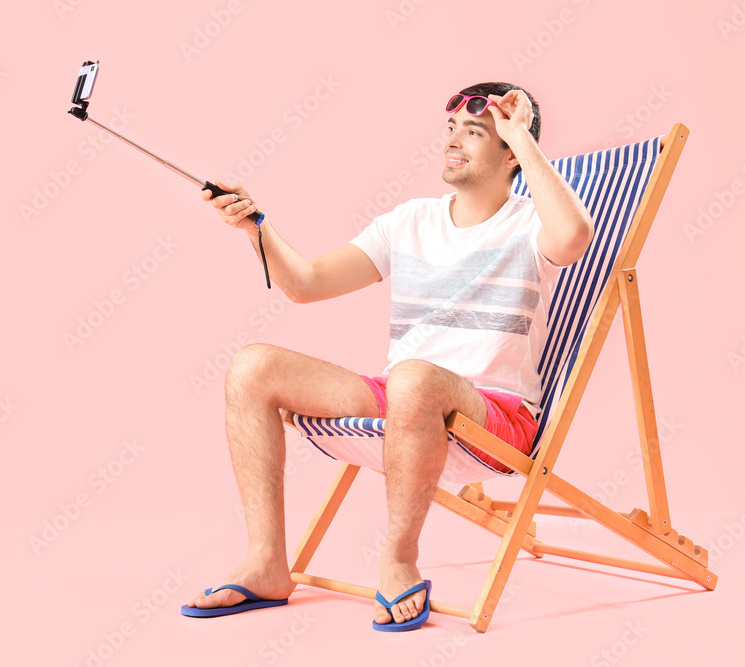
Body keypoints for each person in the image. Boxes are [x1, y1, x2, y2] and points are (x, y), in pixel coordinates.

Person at [182, 82, 594, 630]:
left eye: (474, 133)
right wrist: (256, 226)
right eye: (451, 130)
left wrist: (519, 131)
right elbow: (305, 283)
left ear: (511, 154)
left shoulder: (531, 224)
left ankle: (399, 559)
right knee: (252, 367)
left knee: (414, 378)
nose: (454, 143)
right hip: (402, 400)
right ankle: (266, 563)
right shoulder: (409, 221)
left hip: (495, 417)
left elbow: (574, 237)